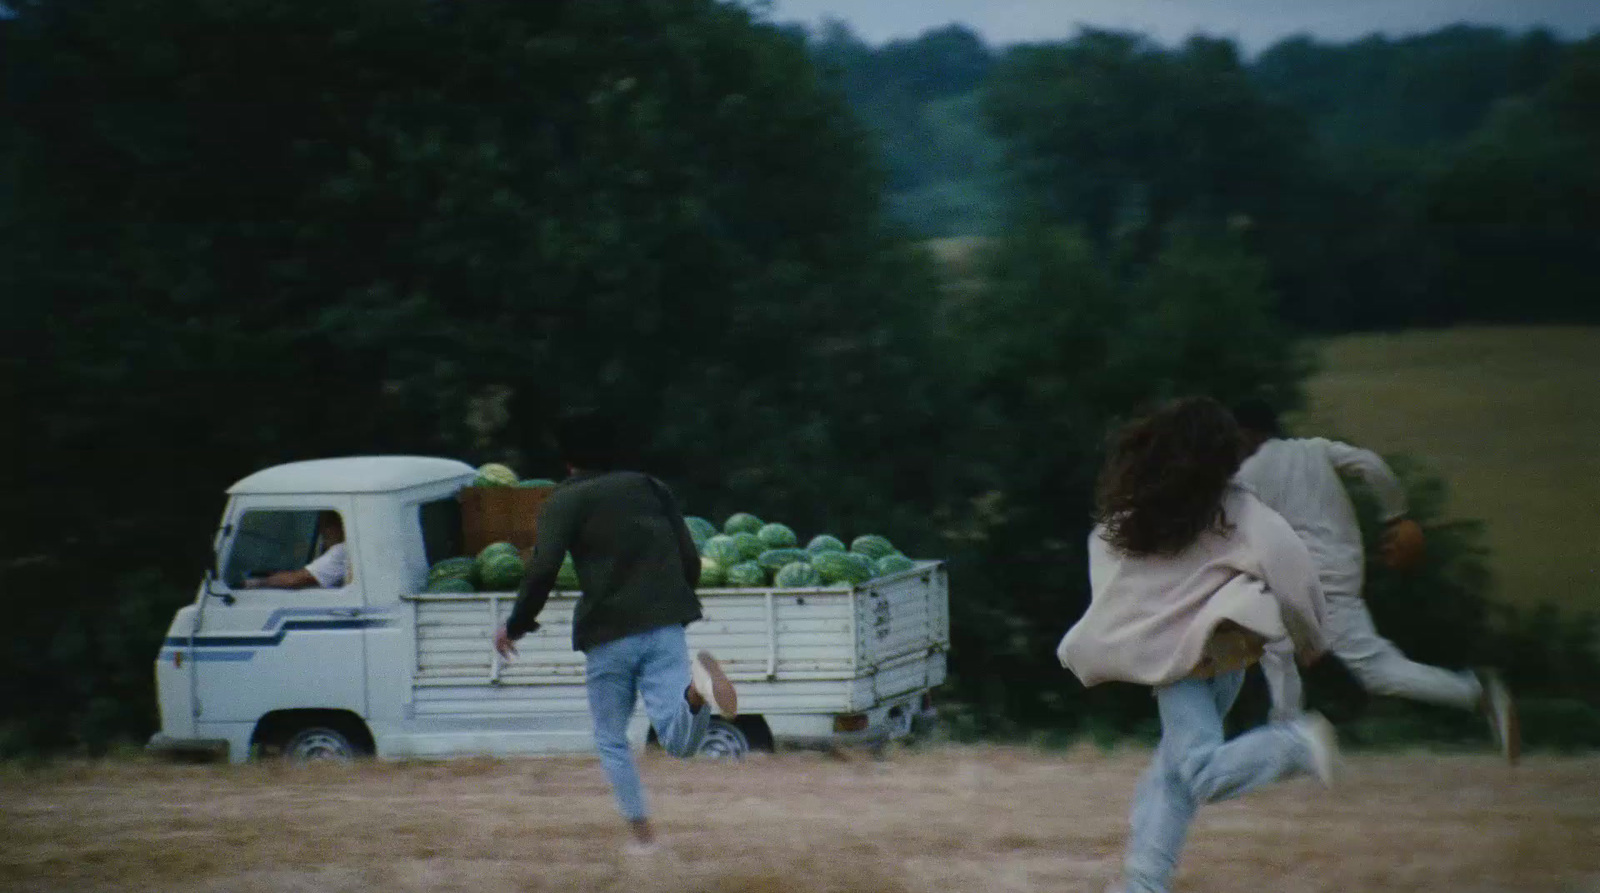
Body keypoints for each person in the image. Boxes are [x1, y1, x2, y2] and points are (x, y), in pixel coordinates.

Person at [1057, 397, 1337, 893]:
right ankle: (1143, 884)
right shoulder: (1239, 509)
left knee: (1201, 770)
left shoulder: (1141, 515)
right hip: (1227, 652)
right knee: (1173, 771)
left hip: (1179, 659)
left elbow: (1109, 564)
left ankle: (1297, 745)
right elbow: (1293, 572)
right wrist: (1313, 645)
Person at [492, 409, 737, 856]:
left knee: (610, 737)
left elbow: (542, 570)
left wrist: (515, 625)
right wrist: (673, 601)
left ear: (567, 460)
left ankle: (643, 840)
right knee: (679, 743)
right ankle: (698, 692)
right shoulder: (649, 488)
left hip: (608, 634)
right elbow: (691, 558)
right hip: (665, 626)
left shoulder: (563, 502)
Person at [1230, 398, 1519, 763]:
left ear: (1247, 433)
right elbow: (1370, 464)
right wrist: (1395, 515)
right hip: (1343, 567)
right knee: (1276, 643)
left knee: (1372, 669)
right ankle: (1286, 738)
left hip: (1313, 579)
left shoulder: (1249, 474)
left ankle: (1476, 695)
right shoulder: (1314, 450)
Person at [241, 510, 349, 589]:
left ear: (341, 527)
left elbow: (295, 580)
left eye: (327, 526)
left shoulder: (342, 550)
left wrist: (256, 582)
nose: (323, 532)